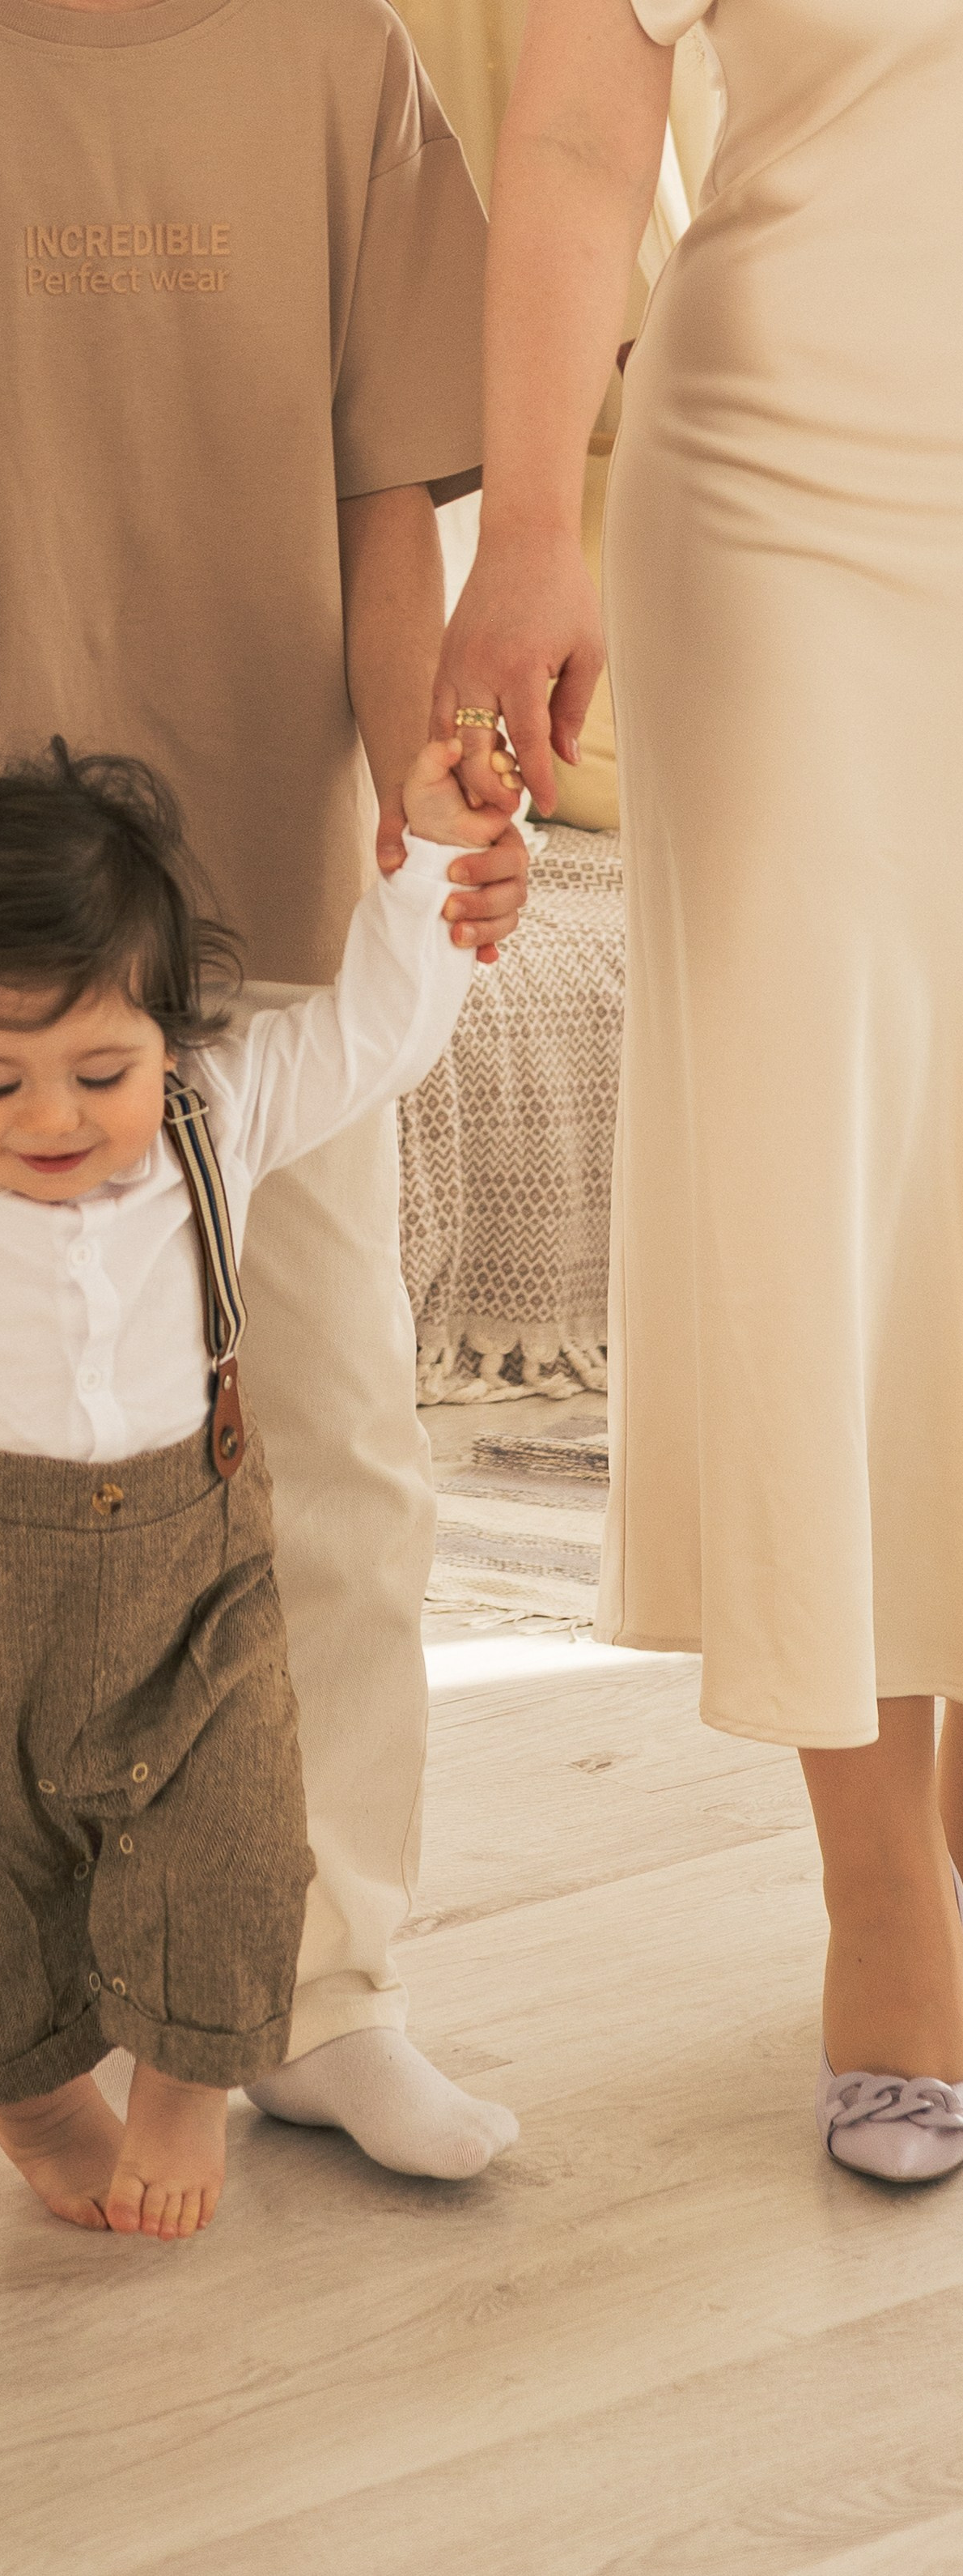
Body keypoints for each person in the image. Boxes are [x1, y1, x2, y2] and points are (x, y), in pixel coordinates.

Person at [0, 0, 531, 2187]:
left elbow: (381, 504)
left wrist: (418, 825)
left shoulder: (348, 62)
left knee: (321, 1436)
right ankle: (61, 2004)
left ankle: (322, 1986)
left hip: (261, 909)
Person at [0, 732, 525, 2236]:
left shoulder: (223, 1113)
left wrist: (420, 869)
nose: (53, 1120)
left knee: (230, 1835)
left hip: (189, 1592)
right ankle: (31, 2097)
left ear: (170, 1033)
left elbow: (381, 1030)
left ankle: (188, 2085)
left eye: (100, 1070)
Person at [436, 0, 963, 2179]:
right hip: (794, 511)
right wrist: (529, 519)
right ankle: (884, 1891)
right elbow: (571, 125)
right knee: (810, 1176)